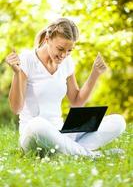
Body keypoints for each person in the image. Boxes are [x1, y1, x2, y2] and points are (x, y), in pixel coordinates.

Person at [6, 17, 126, 157]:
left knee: (118, 121)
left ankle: (65, 151)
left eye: (70, 50)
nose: (64, 55)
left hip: (61, 132)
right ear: (47, 40)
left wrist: (95, 74)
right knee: (38, 124)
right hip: (34, 135)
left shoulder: (67, 62)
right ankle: (92, 155)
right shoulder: (27, 59)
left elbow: (76, 101)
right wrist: (17, 73)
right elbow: (16, 108)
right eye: (60, 49)